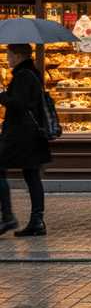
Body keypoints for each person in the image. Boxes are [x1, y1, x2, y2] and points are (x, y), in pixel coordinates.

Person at [0, 43, 52, 237]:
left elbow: (19, 104)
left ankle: (7, 217)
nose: (7, 58)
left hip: (20, 136)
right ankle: (36, 221)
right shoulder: (32, 73)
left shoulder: (22, 76)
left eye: (9, 54)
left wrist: (2, 96)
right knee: (32, 175)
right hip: (32, 135)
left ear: (18, 56)